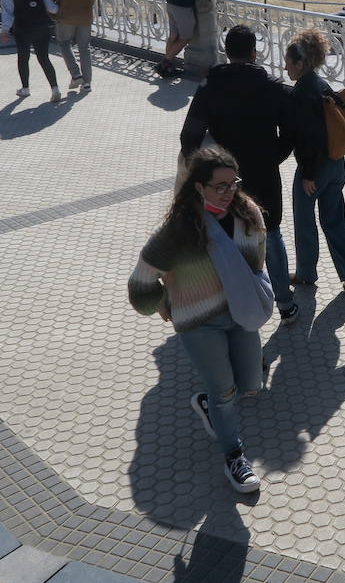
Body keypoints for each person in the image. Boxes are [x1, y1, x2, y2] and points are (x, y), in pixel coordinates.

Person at [128, 146, 266, 494]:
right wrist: (163, 302)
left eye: (233, 183)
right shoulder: (178, 231)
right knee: (225, 392)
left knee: (251, 382)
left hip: (241, 313)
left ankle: (208, 403)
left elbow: (257, 262)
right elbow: (140, 284)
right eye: (220, 186)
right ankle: (234, 457)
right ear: (199, 187)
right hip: (200, 323)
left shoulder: (248, 214)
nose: (229, 192)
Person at [181, 25, 294, 322]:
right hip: (265, 174)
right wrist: (273, 158)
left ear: (227, 52)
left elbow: (190, 134)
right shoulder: (273, 87)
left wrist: (202, 175)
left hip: (223, 180)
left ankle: (232, 305)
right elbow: (290, 132)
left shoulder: (211, 85)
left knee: (226, 237)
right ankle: (285, 304)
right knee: (271, 233)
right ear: (254, 52)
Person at [282, 30, 345, 292]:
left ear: (300, 63)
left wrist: (308, 174)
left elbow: (308, 138)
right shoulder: (322, 86)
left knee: (304, 221)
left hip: (314, 169)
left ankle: (306, 273)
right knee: (335, 218)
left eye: (288, 62)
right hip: (336, 162)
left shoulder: (302, 92)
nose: (286, 67)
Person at [0, 0, 62, 102]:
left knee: (23, 58)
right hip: (42, 27)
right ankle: (55, 89)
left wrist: (5, 30)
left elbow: (7, 13)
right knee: (44, 58)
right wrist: (61, 7)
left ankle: (25, 89)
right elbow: (51, 8)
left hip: (22, 29)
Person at [46, 0, 98, 92]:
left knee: (64, 43)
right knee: (84, 48)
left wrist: (53, 11)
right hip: (85, 14)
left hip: (65, 15)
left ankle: (76, 75)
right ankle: (87, 83)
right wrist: (86, 6)